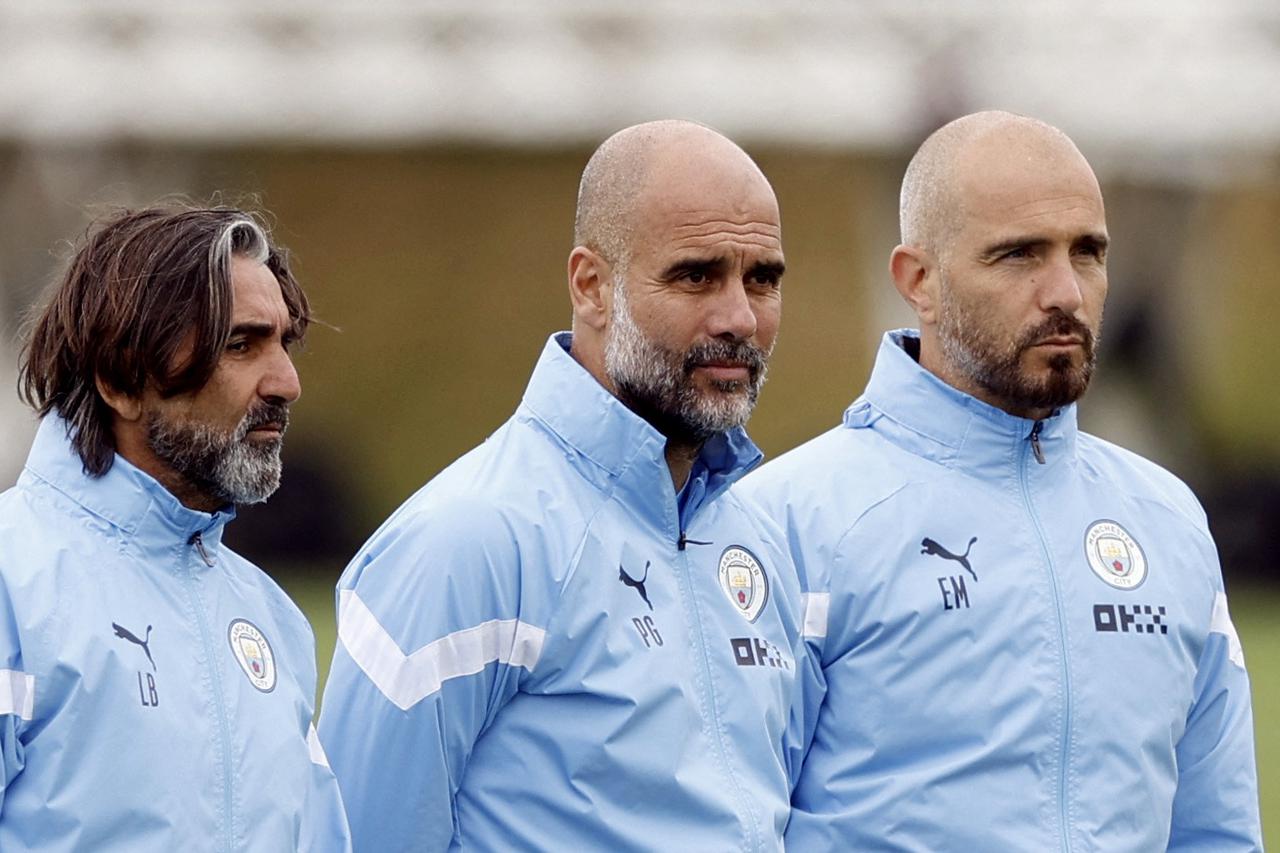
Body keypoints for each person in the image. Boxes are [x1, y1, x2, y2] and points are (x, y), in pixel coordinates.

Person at [741, 111, 1262, 850]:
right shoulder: (781, 523)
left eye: (1087, 253)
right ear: (917, 280)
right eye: (1019, 255)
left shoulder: (1167, 519)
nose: (1066, 293)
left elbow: (1216, 832)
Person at [318, 120, 804, 852]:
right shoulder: (468, 539)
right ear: (591, 286)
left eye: (762, 278)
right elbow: (357, 836)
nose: (739, 316)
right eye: (696, 274)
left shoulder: (759, 540)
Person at [0, 204, 351, 851]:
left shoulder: (274, 618)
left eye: (283, 343)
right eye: (241, 344)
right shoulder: (13, 584)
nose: (287, 381)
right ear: (121, 380)